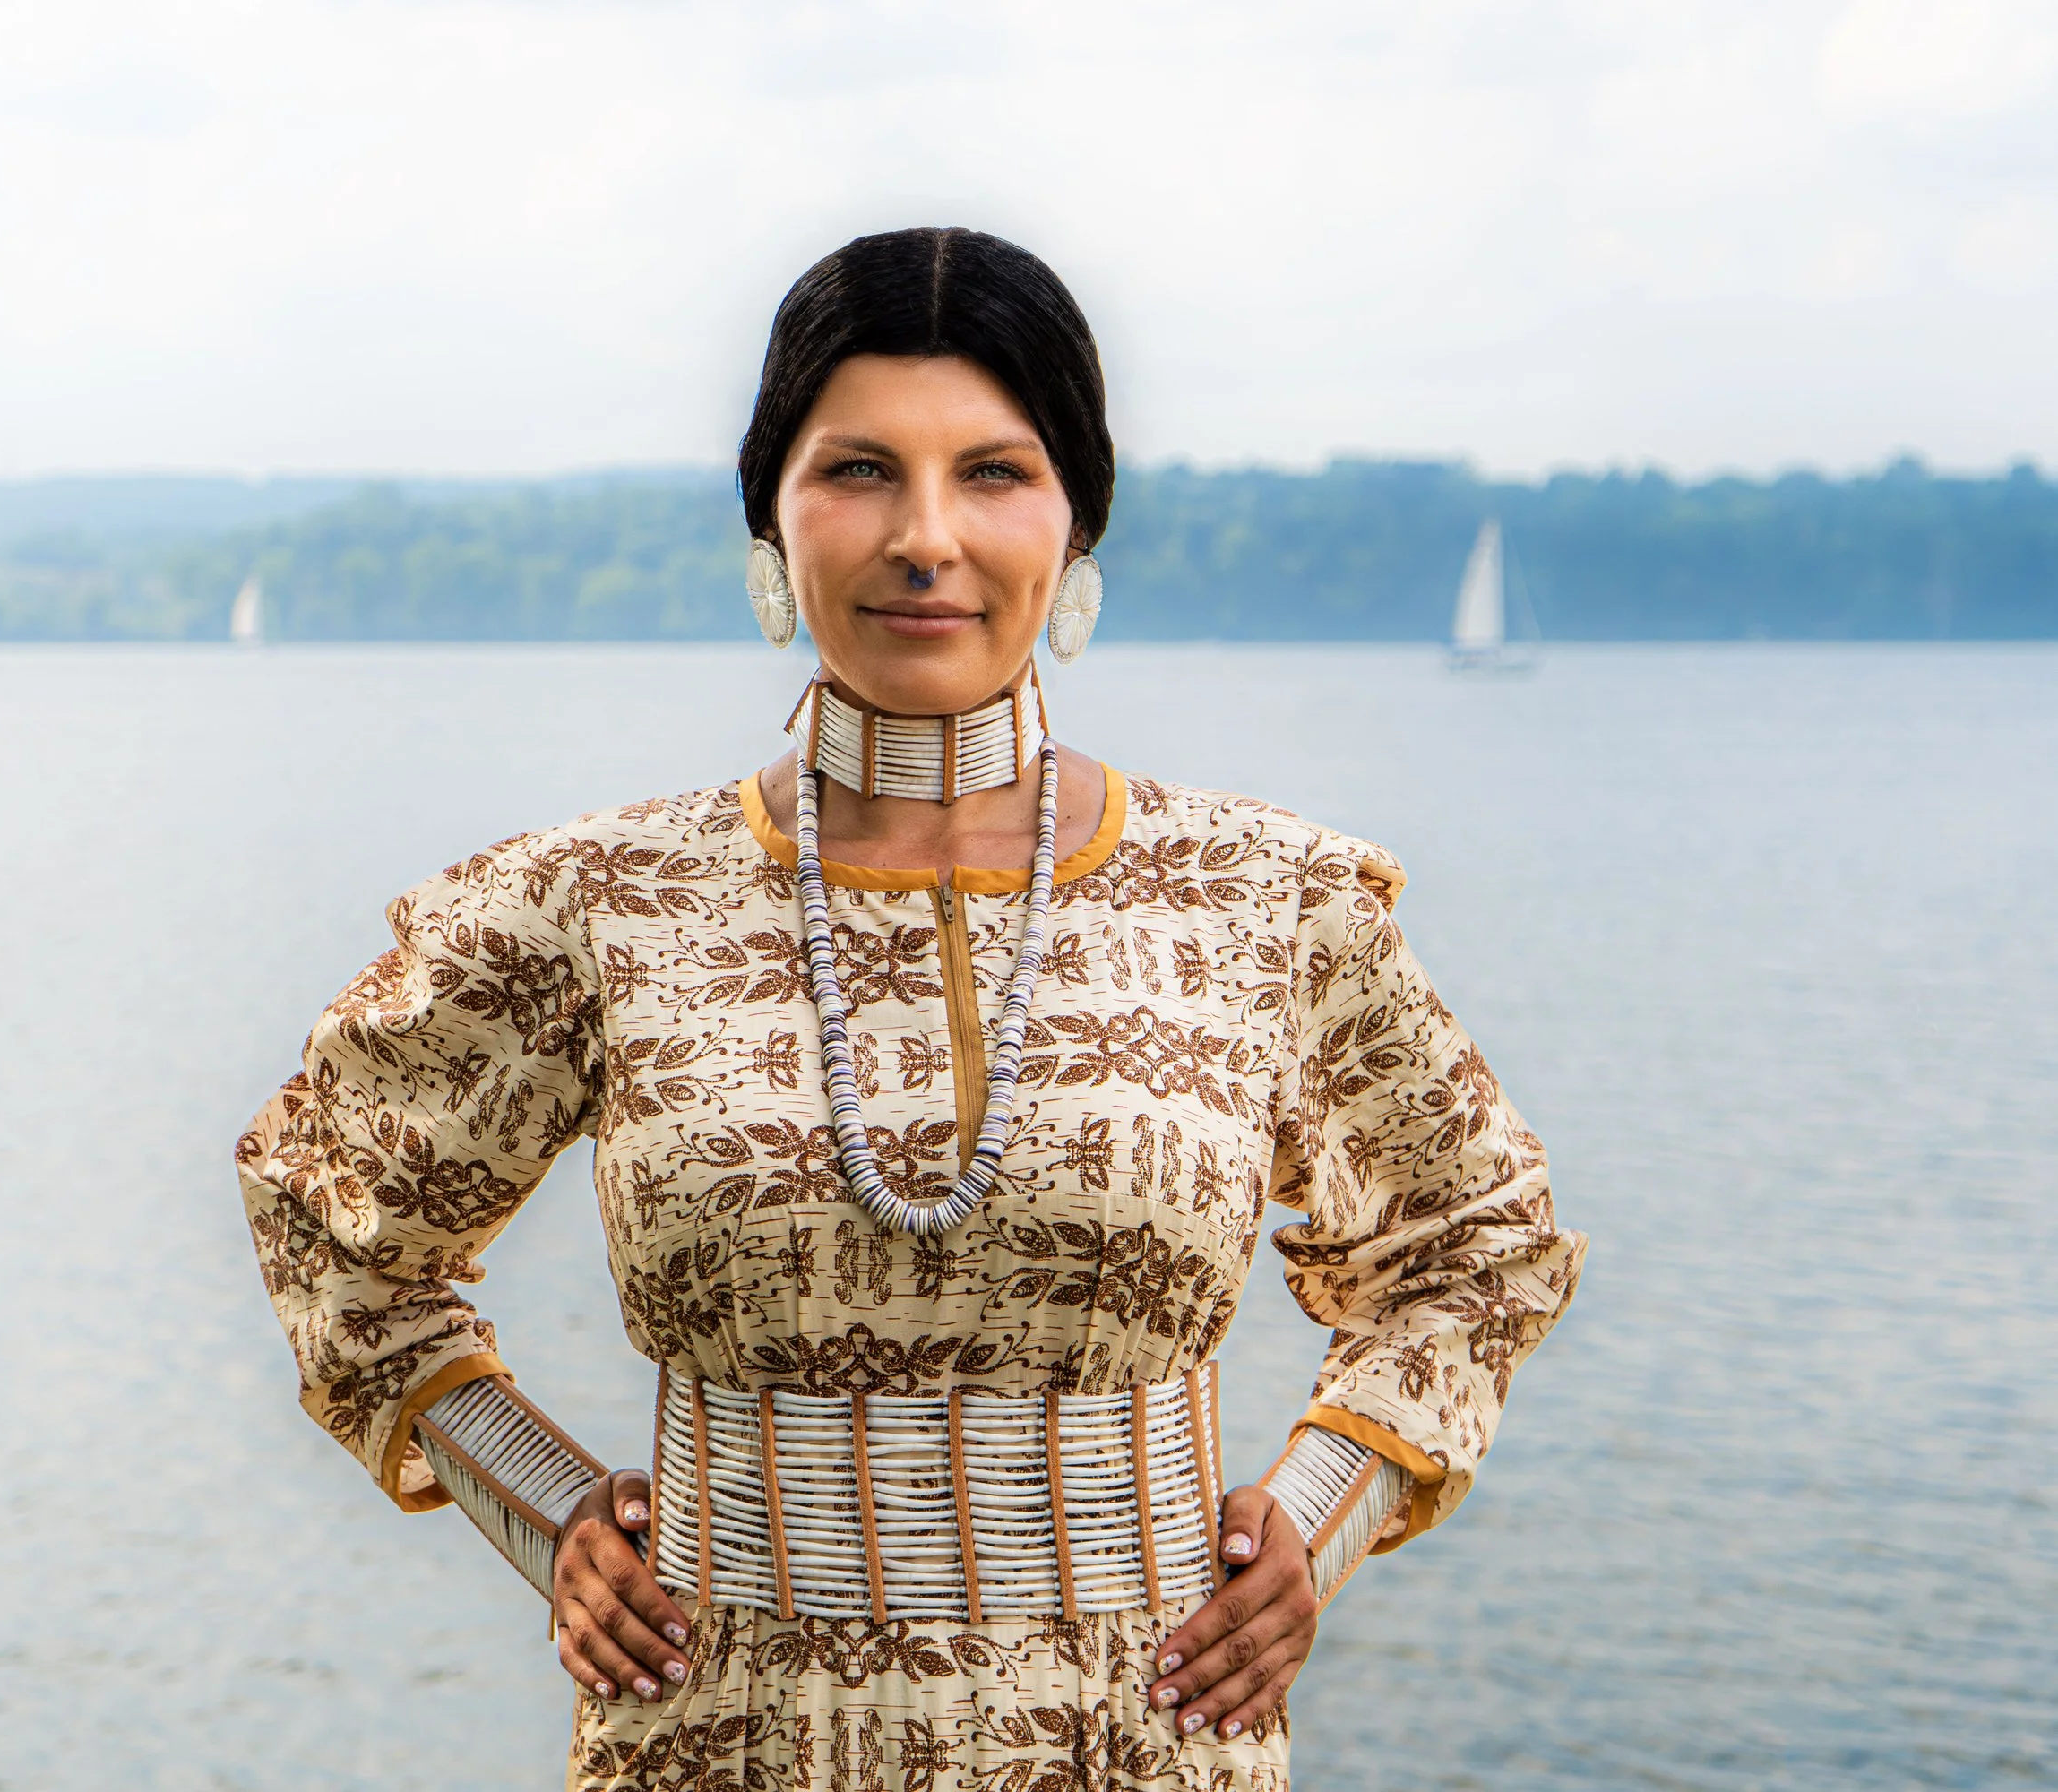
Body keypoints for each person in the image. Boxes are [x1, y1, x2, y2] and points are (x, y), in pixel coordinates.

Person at [237, 226, 1584, 1792]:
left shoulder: (1263, 901)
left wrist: (1318, 1517)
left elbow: (1472, 1244)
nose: (926, 537)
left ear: (1077, 523)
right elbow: (335, 1224)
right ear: (773, 512)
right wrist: (549, 1518)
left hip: (1145, 1732)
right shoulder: (591, 906)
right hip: (719, 1735)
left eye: (995, 474)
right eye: (860, 469)